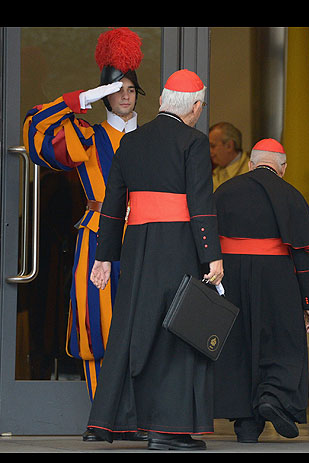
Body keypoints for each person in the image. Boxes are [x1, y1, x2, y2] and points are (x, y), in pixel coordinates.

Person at [86, 69, 224, 451]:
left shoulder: (131, 141)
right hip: (178, 245)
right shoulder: (194, 143)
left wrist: (105, 256)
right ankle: (168, 430)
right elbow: (200, 204)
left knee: (134, 326)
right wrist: (212, 256)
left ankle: (112, 421)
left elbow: (113, 207)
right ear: (195, 108)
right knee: (177, 330)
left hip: (138, 244)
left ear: (163, 101)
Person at [22, 27, 146, 442]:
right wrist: (82, 99)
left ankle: (143, 416)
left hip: (148, 237)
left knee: (148, 325)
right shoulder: (88, 137)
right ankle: (106, 416)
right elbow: (35, 132)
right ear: (106, 94)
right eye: (117, 89)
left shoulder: (154, 138)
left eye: (130, 88)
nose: (125, 95)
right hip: (96, 236)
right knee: (98, 326)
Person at [211, 138, 309, 442]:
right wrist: (307, 301)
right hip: (278, 278)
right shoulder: (291, 195)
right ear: (283, 168)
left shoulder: (224, 190)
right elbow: (304, 255)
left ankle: (246, 425)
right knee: (281, 342)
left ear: (250, 164)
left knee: (237, 345)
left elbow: (205, 239)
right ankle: (272, 398)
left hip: (230, 277)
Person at [209, 121, 250, 190]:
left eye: (213, 146)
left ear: (229, 146)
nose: (209, 151)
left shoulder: (249, 172)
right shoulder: (215, 169)